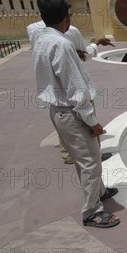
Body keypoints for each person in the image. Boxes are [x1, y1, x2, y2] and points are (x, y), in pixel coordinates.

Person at [33, 0, 120, 228]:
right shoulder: (60, 44)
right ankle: (91, 211)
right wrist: (93, 122)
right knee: (91, 162)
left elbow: (76, 62)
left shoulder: (42, 39)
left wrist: (94, 45)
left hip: (59, 111)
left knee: (85, 160)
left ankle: (99, 192)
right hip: (72, 113)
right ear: (66, 17)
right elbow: (75, 88)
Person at [27, 20, 114, 164]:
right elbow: (83, 58)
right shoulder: (68, 35)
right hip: (72, 100)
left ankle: (68, 155)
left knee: (65, 128)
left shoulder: (35, 32)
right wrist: (96, 43)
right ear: (64, 16)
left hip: (55, 99)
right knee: (89, 153)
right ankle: (94, 157)